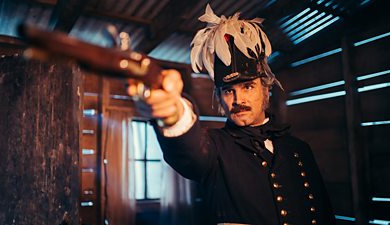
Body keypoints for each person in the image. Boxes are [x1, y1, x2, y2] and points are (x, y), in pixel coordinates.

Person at [127, 5, 335, 225]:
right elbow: (189, 153)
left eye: (248, 87)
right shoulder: (214, 147)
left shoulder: (299, 149)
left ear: (266, 90)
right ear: (218, 98)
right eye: (228, 91)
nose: (238, 100)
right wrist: (173, 113)